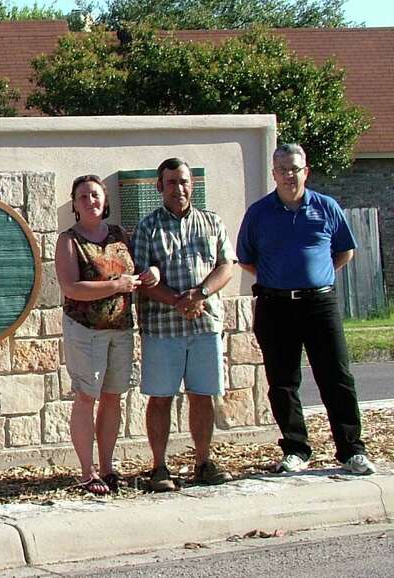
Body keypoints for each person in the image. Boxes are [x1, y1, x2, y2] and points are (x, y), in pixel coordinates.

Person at [236, 143, 375, 475]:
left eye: (294, 169)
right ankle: (296, 449)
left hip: (319, 304)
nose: (288, 175)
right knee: (282, 382)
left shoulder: (326, 207)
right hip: (275, 305)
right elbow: (247, 259)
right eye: (282, 169)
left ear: (306, 171)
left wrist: (316, 278)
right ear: (273, 174)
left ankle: (351, 450)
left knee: (337, 377)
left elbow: (345, 252)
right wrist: (281, 281)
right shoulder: (258, 213)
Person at [132, 158, 235, 492]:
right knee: (160, 398)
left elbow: (225, 266)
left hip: (204, 326)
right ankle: (159, 467)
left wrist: (200, 294)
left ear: (193, 185)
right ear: (160, 186)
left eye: (185, 181)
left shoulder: (212, 222)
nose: (180, 188)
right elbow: (143, 277)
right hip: (163, 329)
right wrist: (179, 301)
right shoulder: (148, 228)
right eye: (172, 182)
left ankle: (203, 462)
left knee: (202, 396)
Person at [55, 175, 158, 495]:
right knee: (87, 397)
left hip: (121, 329)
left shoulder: (119, 235)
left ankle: (108, 467)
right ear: (74, 203)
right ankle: (87, 473)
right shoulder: (69, 241)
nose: (90, 201)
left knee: (113, 397)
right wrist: (116, 286)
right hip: (86, 332)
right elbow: (71, 287)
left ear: (105, 200)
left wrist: (151, 273)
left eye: (95, 195)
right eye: (83, 196)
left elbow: (137, 269)